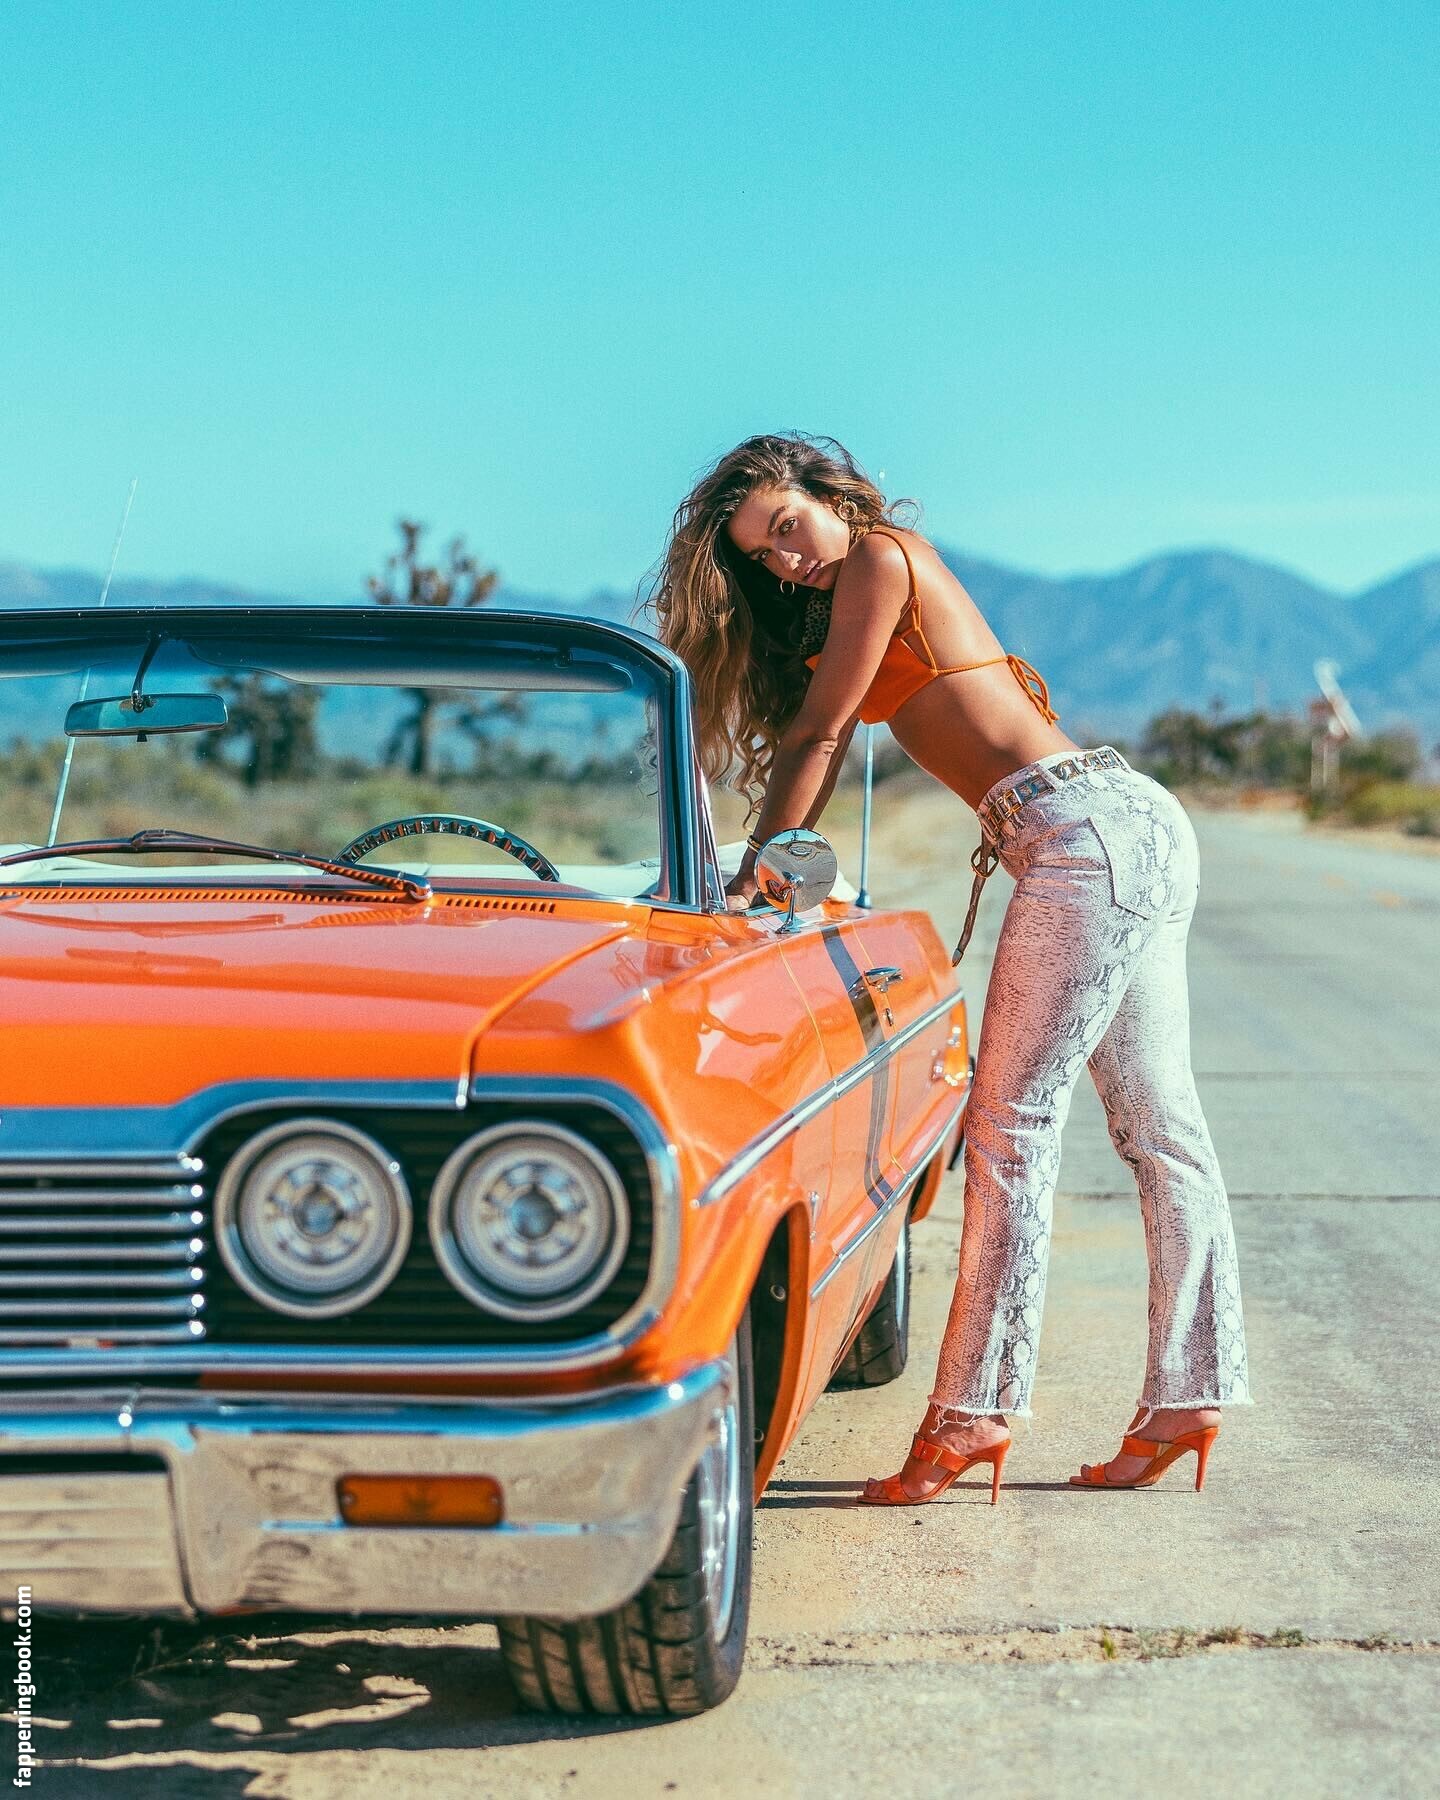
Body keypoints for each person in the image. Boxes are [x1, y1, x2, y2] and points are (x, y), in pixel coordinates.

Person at [649, 432, 1251, 1503]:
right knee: (1162, 1131)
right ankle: (1189, 1395)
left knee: (1010, 1123)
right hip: (1119, 822)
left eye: (787, 527)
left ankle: (973, 1414)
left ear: (831, 497)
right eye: (763, 555)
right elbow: (821, 727)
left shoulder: (883, 556)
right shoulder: (851, 595)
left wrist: (753, 876)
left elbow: (823, 734)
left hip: (1082, 835)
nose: (786, 559)